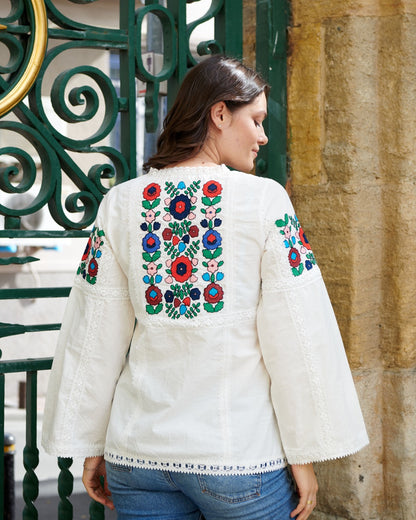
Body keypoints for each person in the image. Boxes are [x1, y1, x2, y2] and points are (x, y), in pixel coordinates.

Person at [42, 55, 368, 520]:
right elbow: (298, 335)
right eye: (255, 120)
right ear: (219, 114)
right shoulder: (264, 202)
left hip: (138, 457)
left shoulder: (120, 205)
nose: (263, 136)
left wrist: (94, 445)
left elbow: (93, 336)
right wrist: (303, 455)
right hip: (236, 457)